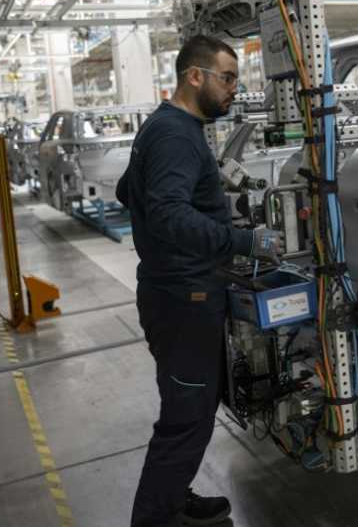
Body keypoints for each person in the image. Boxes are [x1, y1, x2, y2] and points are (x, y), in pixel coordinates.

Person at [116, 35, 284, 527]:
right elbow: (168, 214)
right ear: (195, 76)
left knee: (195, 404)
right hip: (182, 299)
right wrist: (244, 241)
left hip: (175, 291)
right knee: (186, 414)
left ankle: (172, 498)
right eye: (227, 78)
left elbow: (128, 190)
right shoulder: (175, 136)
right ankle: (155, 519)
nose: (234, 88)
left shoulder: (166, 126)